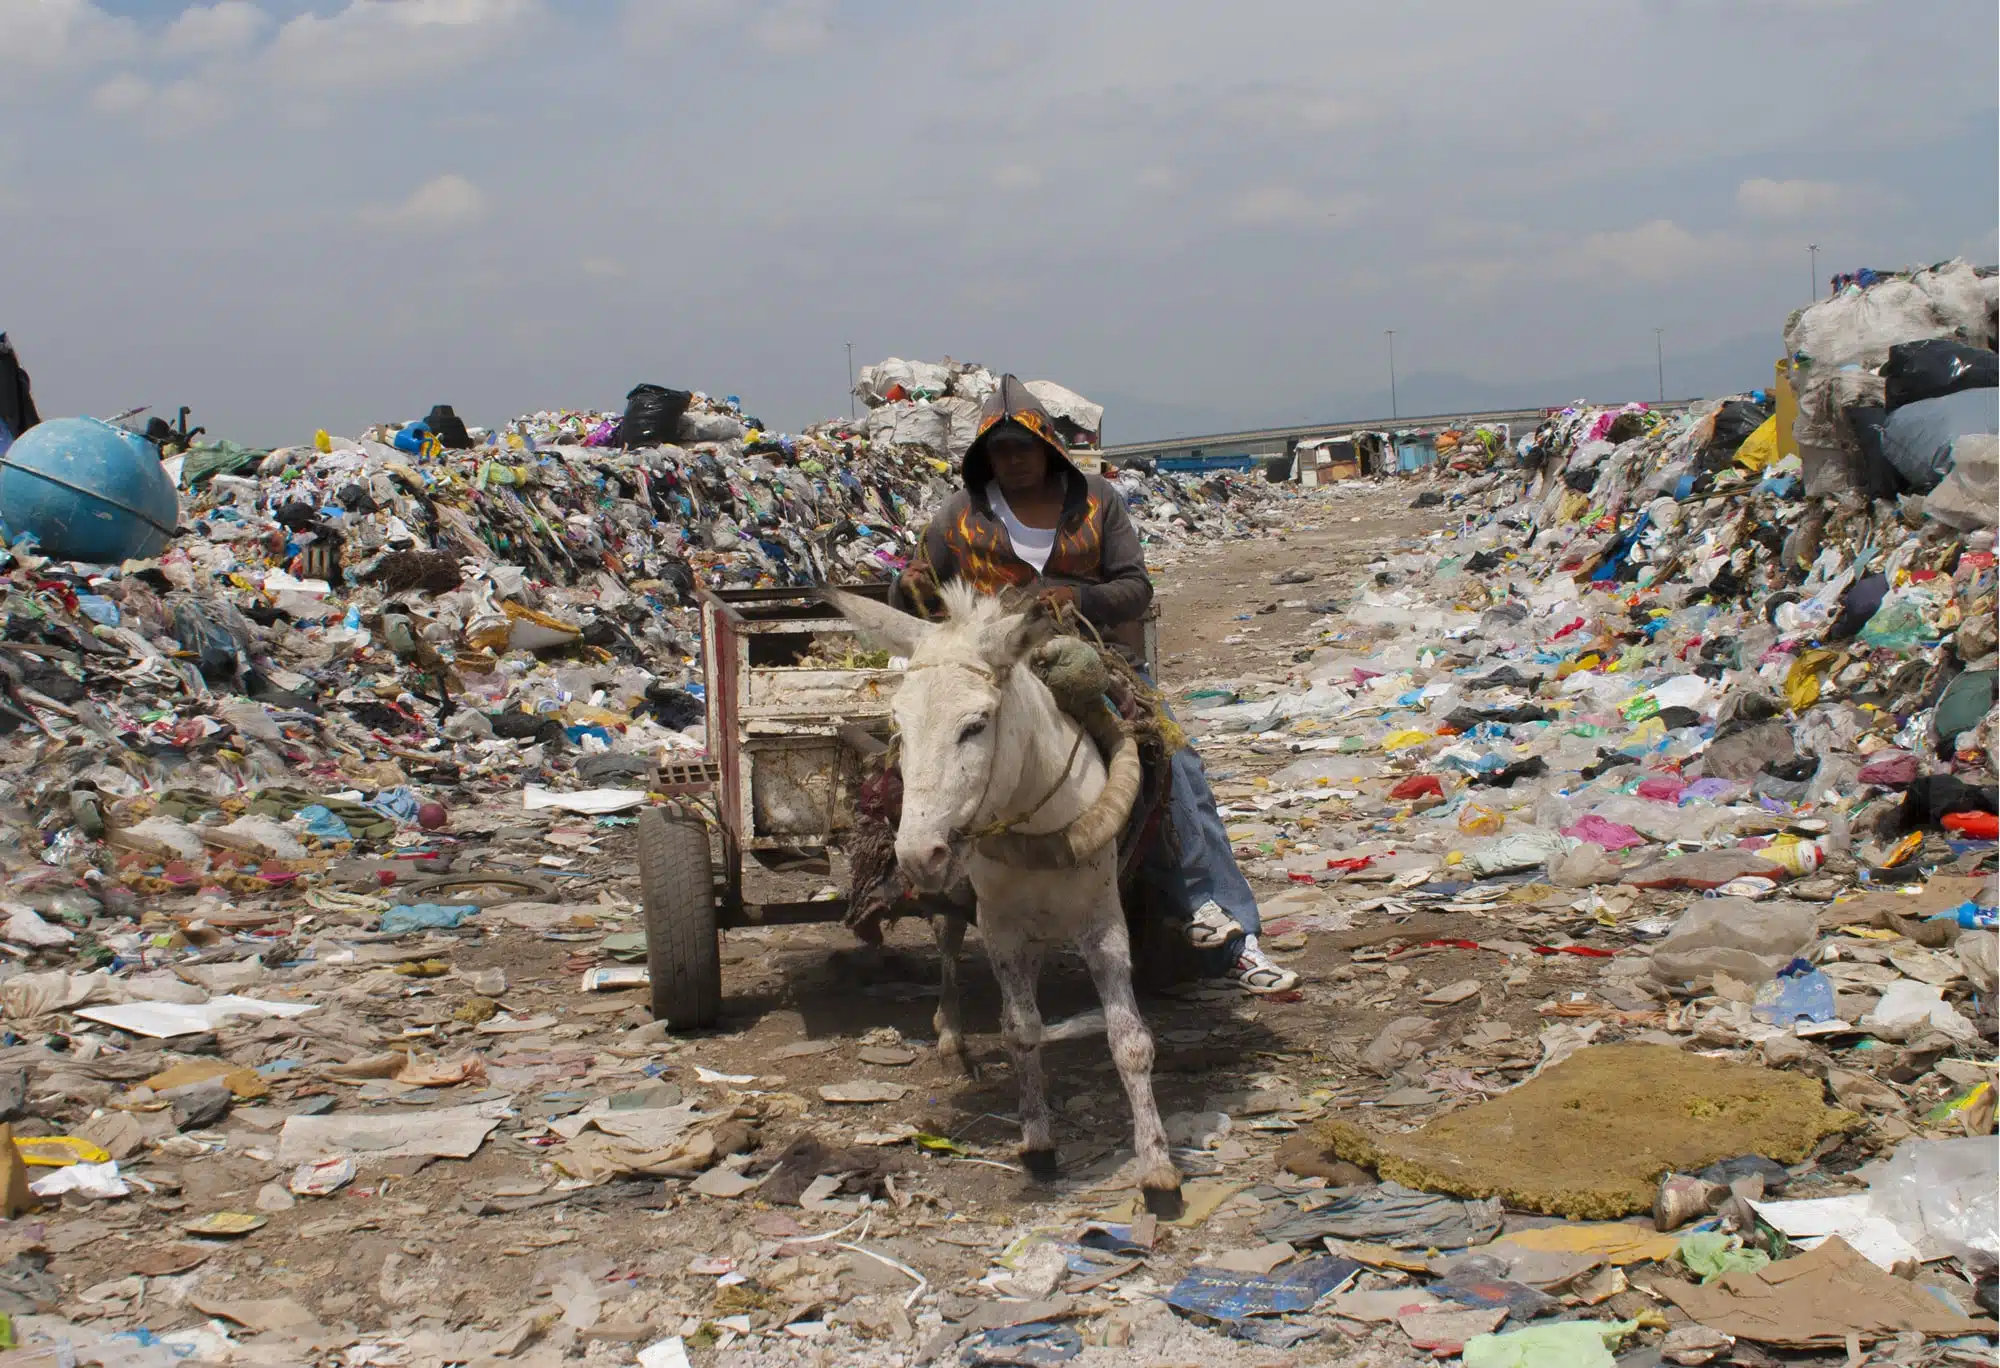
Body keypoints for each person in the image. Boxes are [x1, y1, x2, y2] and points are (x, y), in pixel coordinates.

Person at [896, 375, 1299, 993]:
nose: (1013, 460)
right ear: (984, 457)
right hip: (998, 670)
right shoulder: (957, 515)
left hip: (1095, 659)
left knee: (1178, 765)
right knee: (921, 749)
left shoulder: (1096, 500)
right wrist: (908, 584)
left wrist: (1077, 596)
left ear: (1048, 448)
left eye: (1024, 448)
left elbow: (1136, 587)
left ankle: (1220, 921)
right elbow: (919, 594)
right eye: (1000, 451)